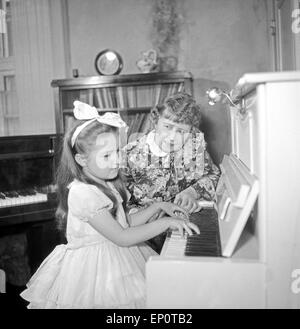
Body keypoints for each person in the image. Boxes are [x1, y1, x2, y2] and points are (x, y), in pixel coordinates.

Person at [20, 101, 198, 309]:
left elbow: (124, 222)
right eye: (106, 155)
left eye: (118, 152)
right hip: (95, 273)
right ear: (82, 159)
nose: (116, 160)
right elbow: (122, 237)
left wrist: (158, 206)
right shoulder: (83, 194)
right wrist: (166, 223)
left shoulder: (107, 182)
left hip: (117, 258)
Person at [123, 92, 220, 253]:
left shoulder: (194, 149)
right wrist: (143, 212)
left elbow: (213, 175)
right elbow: (116, 199)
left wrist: (192, 192)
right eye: (167, 126)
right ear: (155, 121)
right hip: (144, 238)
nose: (172, 136)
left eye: (181, 131)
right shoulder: (131, 154)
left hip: (182, 228)